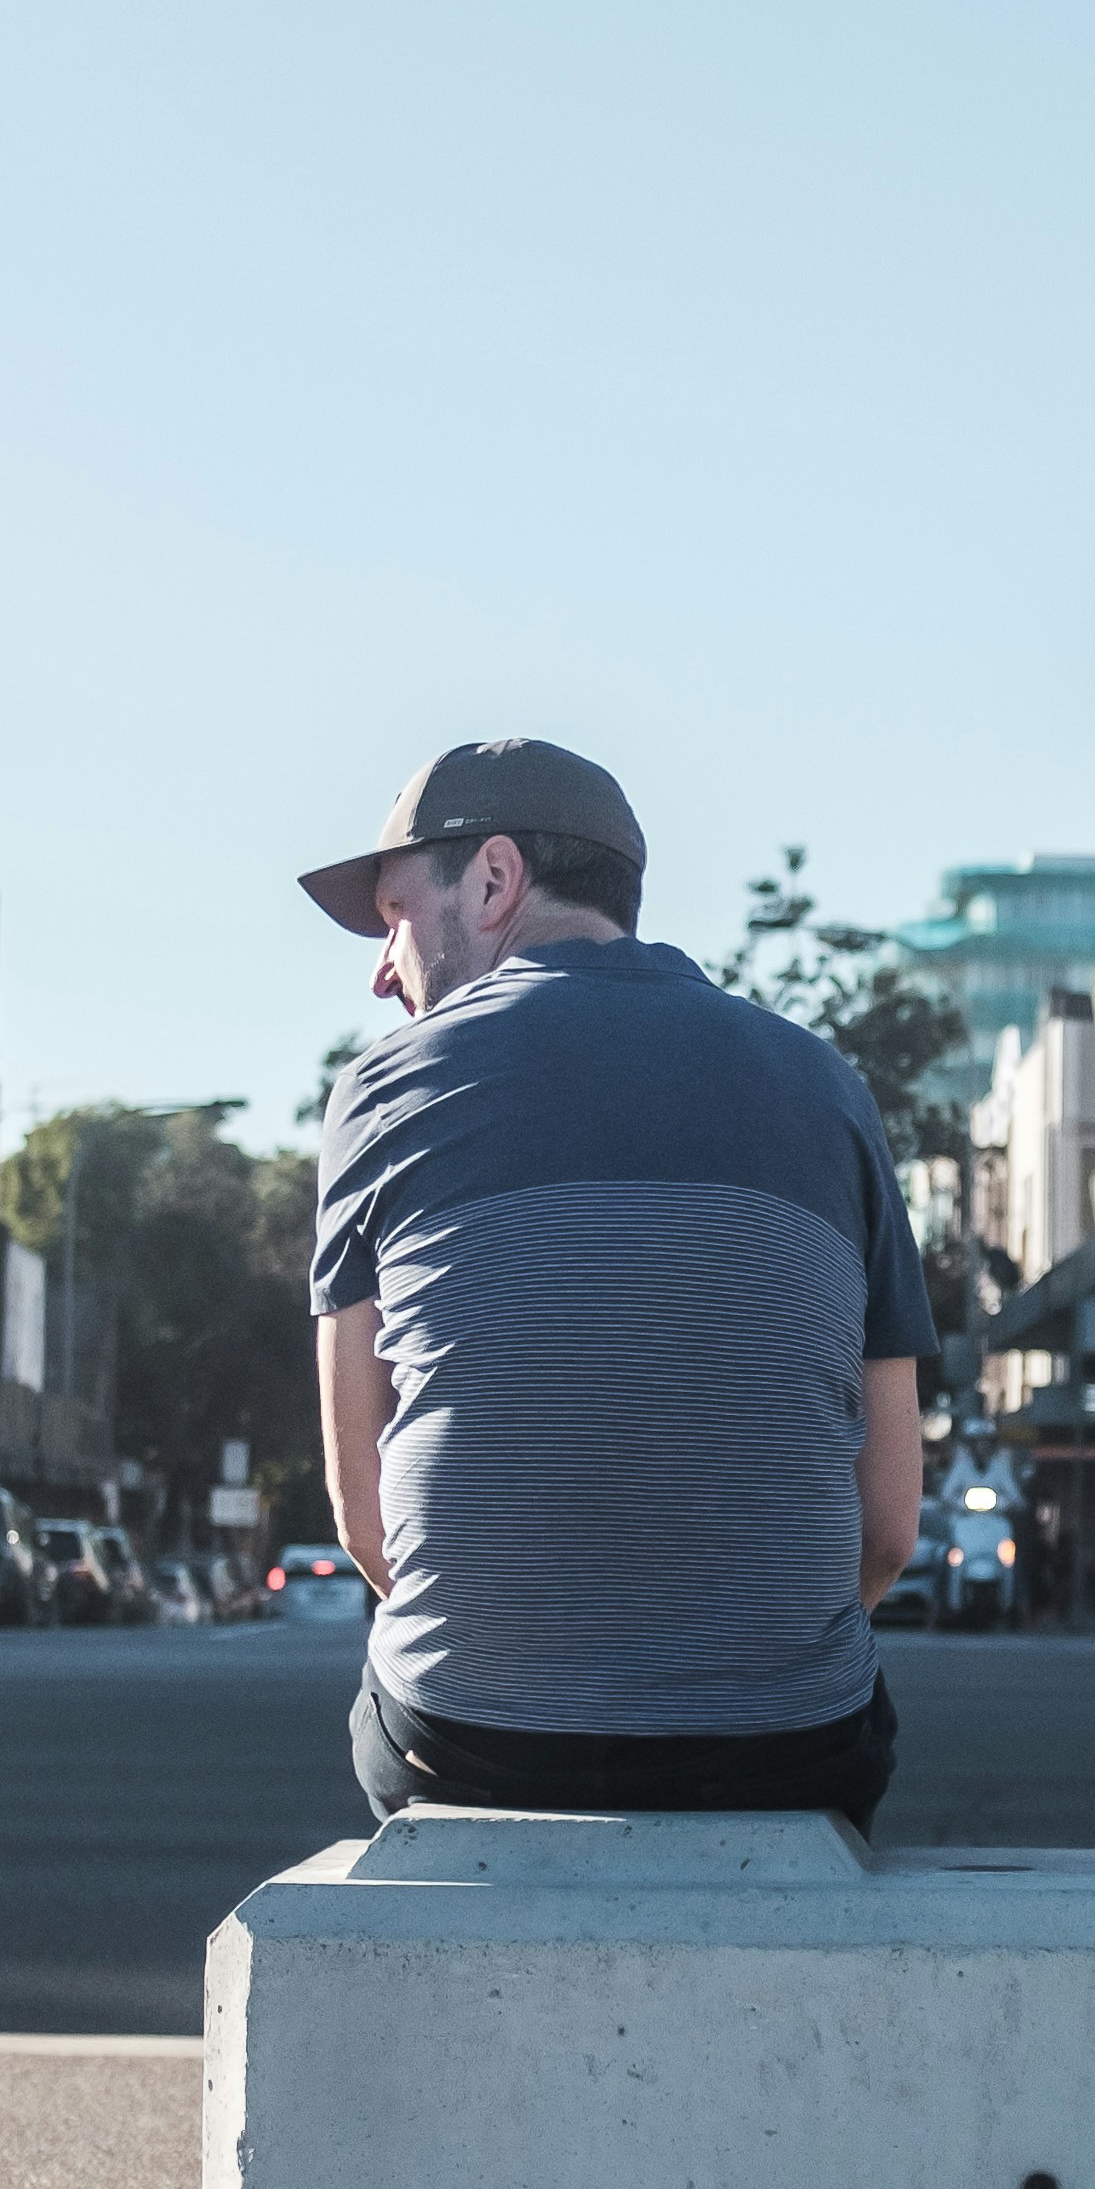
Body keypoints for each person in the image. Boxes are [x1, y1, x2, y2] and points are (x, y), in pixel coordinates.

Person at [301, 738, 935, 1830]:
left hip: (474, 1746)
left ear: (493, 879)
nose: (381, 967)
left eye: (396, 915)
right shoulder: (827, 1086)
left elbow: (364, 1521)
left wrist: (535, 1673)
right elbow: (886, 1529)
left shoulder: (381, 1088)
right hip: (787, 1752)